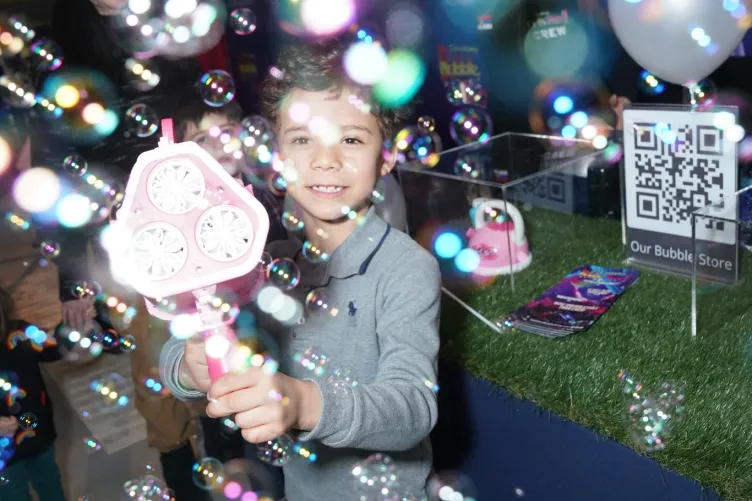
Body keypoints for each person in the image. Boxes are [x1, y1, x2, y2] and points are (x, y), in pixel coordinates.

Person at [160, 37, 442, 500]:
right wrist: (193, 368)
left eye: (350, 139)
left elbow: (412, 407)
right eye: (302, 138)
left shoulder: (406, 268)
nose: (325, 160)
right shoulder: (260, 263)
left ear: (387, 154)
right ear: (277, 156)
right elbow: (176, 353)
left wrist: (304, 403)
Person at [131, 99, 287, 500]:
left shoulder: (273, 202)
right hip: (222, 396)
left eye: (226, 133)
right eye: (203, 139)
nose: (218, 146)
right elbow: (166, 347)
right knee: (232, 452)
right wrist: (185, 366)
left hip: (281, 384)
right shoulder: (174, 236)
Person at [0, 287, 66, 501]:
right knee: (14, 495)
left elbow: (55, 347)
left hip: (38, 435)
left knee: (49, 482)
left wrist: (74, 325)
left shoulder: (18, 333)